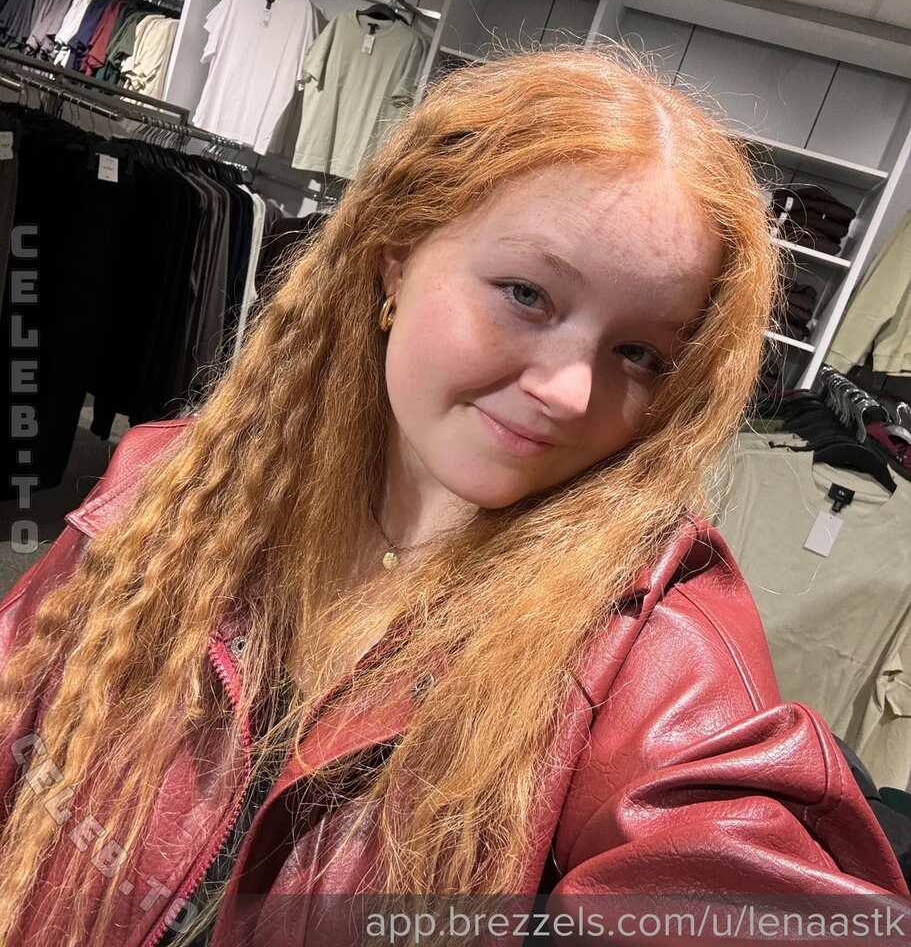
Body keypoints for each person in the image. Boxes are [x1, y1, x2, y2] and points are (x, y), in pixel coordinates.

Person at [0, 47, 908, 947]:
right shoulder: (176, 485)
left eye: (639, 354)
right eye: (526, 295)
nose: (570, 392)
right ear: (397, 258)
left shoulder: (645, 637)